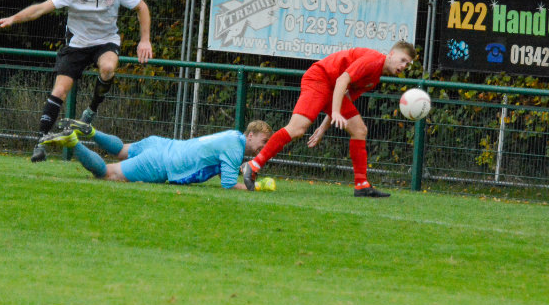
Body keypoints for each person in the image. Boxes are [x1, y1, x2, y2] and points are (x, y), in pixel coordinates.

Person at [0, 0, 153, 163]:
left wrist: (145, 39)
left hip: (106, 41)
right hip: (77, 44)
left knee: (108, 68)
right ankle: (41, 141)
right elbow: (40, 9)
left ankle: (91, 111)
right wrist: (13, 19)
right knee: (60, 90)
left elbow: (141, 7)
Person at [242, 41, 416, 197]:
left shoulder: (375, 78)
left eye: (407, 64)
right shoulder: (373, 61)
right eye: (402, 60)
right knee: (297, 129)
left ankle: (362, 185)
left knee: (359, 130)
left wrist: (323, 127)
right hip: (319, 78)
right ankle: (254, 165)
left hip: (332, 88)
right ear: (391, 54)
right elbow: (342, 80)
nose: (404, 65)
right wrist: (336, 112)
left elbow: (345, 95)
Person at [39, 118, 273, 190]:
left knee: (121, 150)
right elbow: (229, 184)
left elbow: (224, 173)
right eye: (263, 142)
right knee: (108, 174)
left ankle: (91, 131)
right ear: (250, 135)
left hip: (161, 144)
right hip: (162, 162)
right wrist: (257, 187)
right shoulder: (235, 148)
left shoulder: (232, 136)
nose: (264, 148)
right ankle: (73, 142)